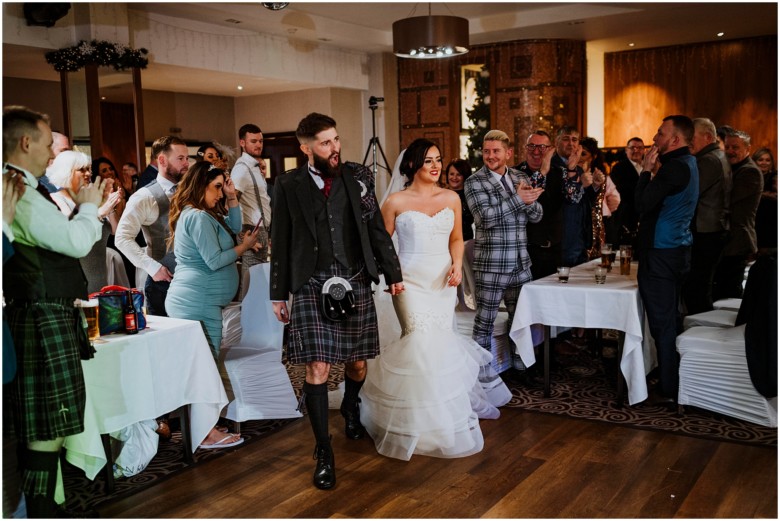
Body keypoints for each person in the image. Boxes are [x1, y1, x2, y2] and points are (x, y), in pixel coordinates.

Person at [270, 112, 403, 490]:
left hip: (356, 278)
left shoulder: (358, 177)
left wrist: (393, 274)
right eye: (326, 142)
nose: (335, 148)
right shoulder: (288, 185)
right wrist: (278, 293)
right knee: (317, 368)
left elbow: (375, 227)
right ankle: (323, 450)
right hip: (311, 284)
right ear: (306, 147)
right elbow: (280, 238)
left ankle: (350, 404)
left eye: (336, 139)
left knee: (357, 365)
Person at [360, 138, 511, 461]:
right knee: (418, 343)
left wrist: (457, 264)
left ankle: (441, 423)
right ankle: (412, 424)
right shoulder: (396, 201)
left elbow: (457, 238)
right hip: (409, 282)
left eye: (438, 159)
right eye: (428, 160)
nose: (436, 166)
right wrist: (392, 278)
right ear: (413, 164)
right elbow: (382, 246)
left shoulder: (451, 197)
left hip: (442, 280)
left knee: (440, 346)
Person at [3, 105, 106, 518]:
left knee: (53, 427)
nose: (52, 154)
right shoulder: (18, 191)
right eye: (48, 144)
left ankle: (45, 506)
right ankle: (42, 510)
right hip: (40, 316)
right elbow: (75, 242)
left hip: (49, 312)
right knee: (45, 429)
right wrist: (89, 207)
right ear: (26, 142)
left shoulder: (26, 188)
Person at [165, 161, 258, 448]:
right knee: (203, 369)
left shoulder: (202, 214)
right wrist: (244, 246)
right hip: (197, 302)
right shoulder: (197, 217)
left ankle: (204, 426)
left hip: (201, 302)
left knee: (202, 367)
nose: (220, 193)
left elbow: (231, 227)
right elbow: (215, 260)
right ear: (199, 185)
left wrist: (232, 197)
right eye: (216, 187)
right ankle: (205, 433)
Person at [464, 130, 543, 373]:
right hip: (492, 265)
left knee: (520, 321)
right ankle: (483, 373)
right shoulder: (474, 181)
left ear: (508, 153)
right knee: (485, 322)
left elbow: (538, 216)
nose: (490, 156)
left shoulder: (520, 176)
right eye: (486, 151)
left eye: (496, 151)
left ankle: (520, 368)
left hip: (521, 263)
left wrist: (530, 202)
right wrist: (520, 200)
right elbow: (484, 218)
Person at [635, 115, 698, 406]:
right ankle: (671, 376)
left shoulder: (673, 168)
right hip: (678, 250)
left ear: (675, 140)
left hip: (661, 253)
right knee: (670, 316)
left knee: (663, 322)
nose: (654, 137)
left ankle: (670, 386)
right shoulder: (690, 163)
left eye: (660, 133)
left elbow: (642, 204)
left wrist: (645, 172)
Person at [115, 136, 189, 315]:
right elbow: (122, 238)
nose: (186, 164)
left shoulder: (188, 191)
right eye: (180, 159)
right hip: (162, 282)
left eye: (187, 158)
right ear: (162, 160)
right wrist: (153, 268)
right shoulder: (144, 196)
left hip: (190, 279)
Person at [46, 151, 123, 293]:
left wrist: (109, 206)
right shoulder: (56, 200)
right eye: (81, 169)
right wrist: (100, 212)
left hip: (100, 282)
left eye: (88, 169)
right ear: (66, 172)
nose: (88, 173)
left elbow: (116, 232)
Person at [682, 118, 731, 315]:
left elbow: (691, 192)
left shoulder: (709, 160)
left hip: (706, 231)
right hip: (713, 229)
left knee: (697, 287)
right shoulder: (718, 156)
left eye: (692, 137)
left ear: (708, 137)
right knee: (700, 285)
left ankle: (698, 332)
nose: (688, 141)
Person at [713, 130, 763, 300]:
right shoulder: (731, 168)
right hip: (727, 241)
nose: (730, 151)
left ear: (748, 149)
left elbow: (727, 200)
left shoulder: (750, 172)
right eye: (727, 147)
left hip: (737, 241)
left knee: (730, 292)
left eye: (735, 147)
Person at [516, 130, 563, 280]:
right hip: (528, 252)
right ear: (525, 148)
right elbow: (531, 196)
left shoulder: (559, 173)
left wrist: (573, 169)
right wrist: (542, 172)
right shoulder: (515, 174)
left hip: (557, 250)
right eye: (531, 146)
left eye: (542, 147)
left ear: (550, 150)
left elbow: (573, 199)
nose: (536, 151)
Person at [551, 126, 594, 266]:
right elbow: (561, 199)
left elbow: (587, 203)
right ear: (556, 142)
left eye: (574, 140)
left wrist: (596, 186)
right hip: (562, 239)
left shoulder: (579, 168)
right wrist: (581, 185)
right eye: (566, 139)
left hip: (580, 238)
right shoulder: (550, 167)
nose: (571, 143)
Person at [231, 124, 272, 271]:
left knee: (259, 285)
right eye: (253, 141)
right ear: (242, 143)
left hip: (262, 230)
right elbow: (229, 204)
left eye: (260, 141)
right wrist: (242, 238)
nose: (259, 145)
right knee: (251, 285)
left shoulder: (254, 167)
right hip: (251, 231)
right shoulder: (242, 169)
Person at [580, 136, 620, 257]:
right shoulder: (571, 173)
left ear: (594, 156)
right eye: (576, 153)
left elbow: (615, 199)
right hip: (580, 223)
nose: (579, 158)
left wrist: (602, 211)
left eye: (583, 154)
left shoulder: (600, 175)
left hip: (599, 221)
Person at [610, 137, 645, 248]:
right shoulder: (619, 167)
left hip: (642, 216)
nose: (636, 150)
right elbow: (624, 191)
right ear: (626, 150)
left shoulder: (646, 167)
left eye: (640, 148)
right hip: (627, 215)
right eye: (632, 148)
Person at [444, 158, 474, 240]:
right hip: (443, 242)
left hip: (464, 241)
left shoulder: (470, 196)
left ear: (465, 176)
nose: (454, 177)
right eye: (451, 174)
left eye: (459, 174)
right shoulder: (441, 195)